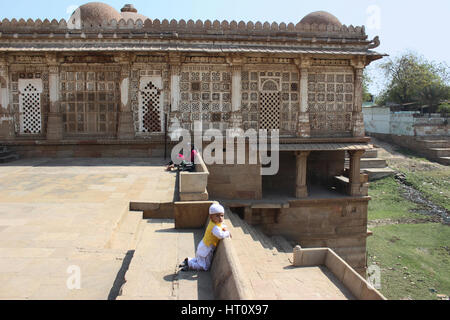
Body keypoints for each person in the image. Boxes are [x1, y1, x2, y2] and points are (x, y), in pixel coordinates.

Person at [179, 203, 231, 272]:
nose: (220, 218)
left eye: (222, 215)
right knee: (204, 266)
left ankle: (187, 260)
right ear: (211, 217)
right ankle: (189, 264)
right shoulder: (214, 227)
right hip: (206, 250)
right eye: (217, 216)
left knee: (199, 260)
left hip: (203, 246)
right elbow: (220, 235)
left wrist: (224, 228)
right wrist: (228, 233)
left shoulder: (214, 223)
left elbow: (221, 225)